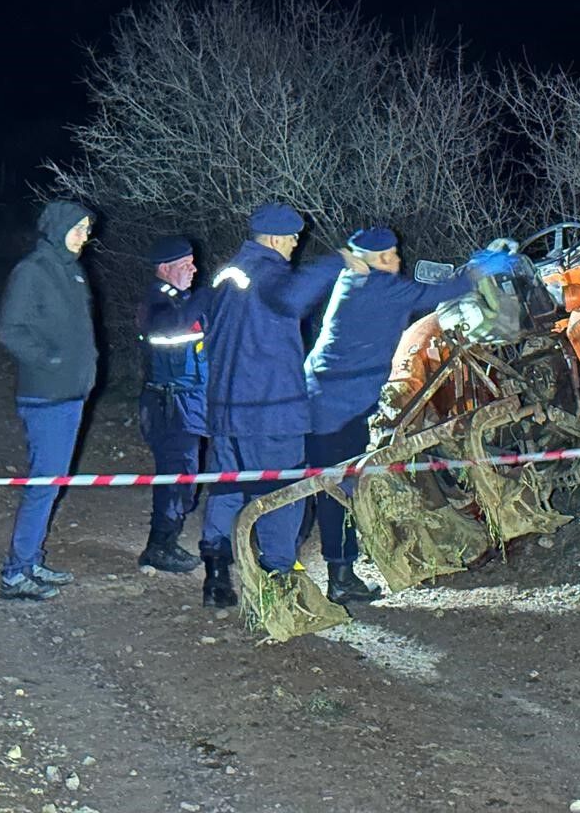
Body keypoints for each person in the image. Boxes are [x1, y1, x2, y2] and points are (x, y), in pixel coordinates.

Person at [196, 202, 363, 608]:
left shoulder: (227, 275)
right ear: (272, 238)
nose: (294, 245)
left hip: (224, 409)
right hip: (270, 411)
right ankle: (278, 582)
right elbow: (296, 294)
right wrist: (342, 261)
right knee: (284, 494)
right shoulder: (272, 277)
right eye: (291, 238)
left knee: (227, 488)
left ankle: (216, 577)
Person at [302, 226, 474, 603]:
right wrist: (482, 269)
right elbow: (441, 292)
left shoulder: (353, 281)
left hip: (329, 398)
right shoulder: (379, 289)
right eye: (389, 256)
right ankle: (337, 577)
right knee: (334, 489)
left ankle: (325, 571)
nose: (398, 261)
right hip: (336, 408)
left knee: (324, 487)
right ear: (372, 261)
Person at [0, 200, 98, 601]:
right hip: (46, 396)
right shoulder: (32, 271)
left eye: (87, 229)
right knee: (43, 485)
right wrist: (49, 359)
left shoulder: (71, 272)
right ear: (57, 229)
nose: (84, 237)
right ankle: (15, 573)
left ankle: (31, 560)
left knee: (51, 483)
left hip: (71, 394)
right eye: (78, 229)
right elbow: (9, 329)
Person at [134, 234, 209, 574]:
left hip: (189, 404)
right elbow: (168, 334)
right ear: (164, 269)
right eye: (185, 265)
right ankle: (159, 546)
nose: (194, 269)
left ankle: (168, 538)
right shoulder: (158, 304)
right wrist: (211, 294)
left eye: (193, 262)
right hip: (168, 407)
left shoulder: (183, 300)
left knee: (186, 478)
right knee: (175, 477)